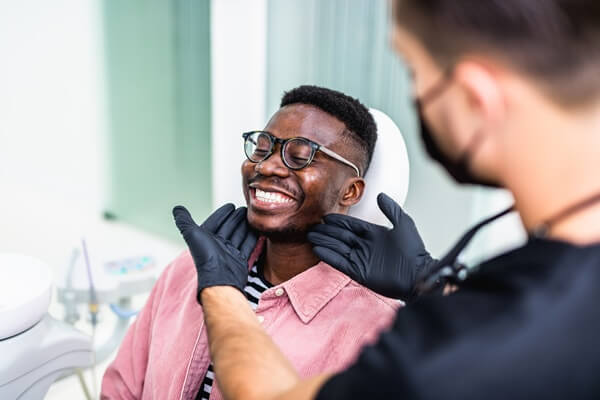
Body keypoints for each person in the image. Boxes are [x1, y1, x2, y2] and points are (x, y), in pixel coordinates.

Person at [174, 0, 600, 399]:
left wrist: (221, 290)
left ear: (475, 98)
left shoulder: (440, 353)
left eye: (415, 72)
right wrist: (431, 280)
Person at [100, 85, 405, 399]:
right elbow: (120, 390)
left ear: (350, 192)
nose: (266, 166)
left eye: (300, 156)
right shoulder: (192, 268)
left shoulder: (378, 331)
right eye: (261, 149)